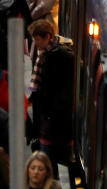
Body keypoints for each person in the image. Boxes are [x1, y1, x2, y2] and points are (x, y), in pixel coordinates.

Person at [28, 20, 74, 171]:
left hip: (53, 120)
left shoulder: (59, 57)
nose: (35, 43)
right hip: (48, 118)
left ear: (47, 37)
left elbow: (59, 91)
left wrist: (48, 114)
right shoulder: (44, 54)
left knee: (48, 160)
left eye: (37, 39)